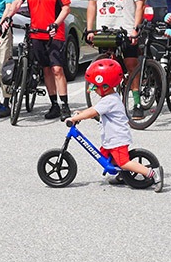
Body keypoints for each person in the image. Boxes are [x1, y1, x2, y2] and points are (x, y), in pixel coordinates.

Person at [68, 58, 163, 192]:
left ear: (105, 86)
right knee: (105, 156)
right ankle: (122, 175)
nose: (93, 90)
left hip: (117, 139)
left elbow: (93, 112)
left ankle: (152, 174)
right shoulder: (109, 98)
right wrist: (81, 113)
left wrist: (77, 117)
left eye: (95, 87)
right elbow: (94, 109)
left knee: (123, 161)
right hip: (111, 138)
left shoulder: (109, 100)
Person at [1, 0, 72, 120]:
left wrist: (56, 23)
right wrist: (7, 17)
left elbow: (66, 7)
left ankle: (65, 106)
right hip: (36, 33)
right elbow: (17, 2)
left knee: (57, 69)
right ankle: (54, 104)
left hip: (55, 33)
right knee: (46, 69)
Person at [85, 0, 148, 119]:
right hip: (105, 30)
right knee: (105, 67)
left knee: (130, 65)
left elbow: (140, 3)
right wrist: (90, 29)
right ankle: (109, 104)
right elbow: (92, 3)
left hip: (126, 29)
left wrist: (136, 29)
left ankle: (136, 102)